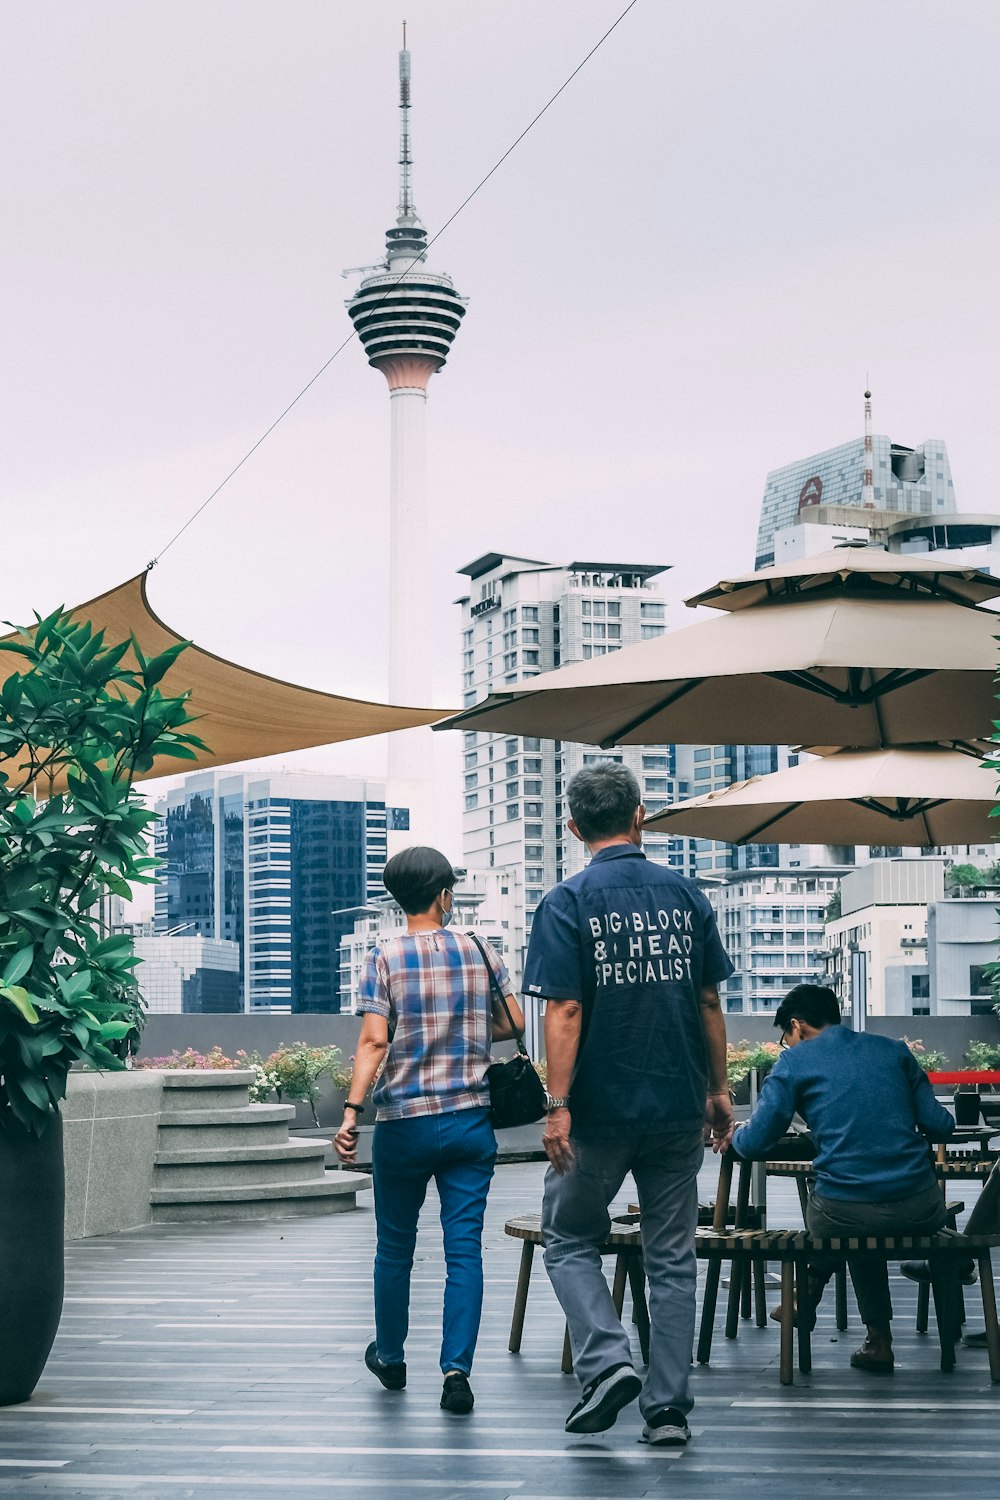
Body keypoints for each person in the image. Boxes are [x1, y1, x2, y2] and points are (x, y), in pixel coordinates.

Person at [521, 763, 735, 1447]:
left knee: (568, 1239)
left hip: (599, 1108)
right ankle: (668, 1409)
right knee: (671, 1254)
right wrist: (718, 1088)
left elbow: (566, 1008)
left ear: (575, 828)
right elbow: (708, 1000)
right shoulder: (686, 895)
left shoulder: (567, 900)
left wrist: (558, 1104)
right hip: (677, 1103)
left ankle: (608, 1361)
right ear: (640, 815)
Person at [334, 846, 524, 1415]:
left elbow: (373, 1041)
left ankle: (391, 1355)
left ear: (397, 899)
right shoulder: (480, 948)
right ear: (445, 895)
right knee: (463, 1249)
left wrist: (350, 1112)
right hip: (469, 1121)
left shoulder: (383, 956)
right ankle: (456, 1372)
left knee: (395, 1247)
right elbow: (513, 1022)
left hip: (404, 1125)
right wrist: (464, 1030)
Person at [731, 983, 956, 1374]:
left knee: (849, 1209)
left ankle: (817, 1297)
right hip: (922, 1208)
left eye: (786, 1037)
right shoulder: (894, 1051)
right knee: (859, 1205)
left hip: (842, 1213)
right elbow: (941, 1125)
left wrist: (732, 1135)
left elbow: (756, 1141)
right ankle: (873, 1341)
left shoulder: (794, 1063)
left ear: (797, 1026)